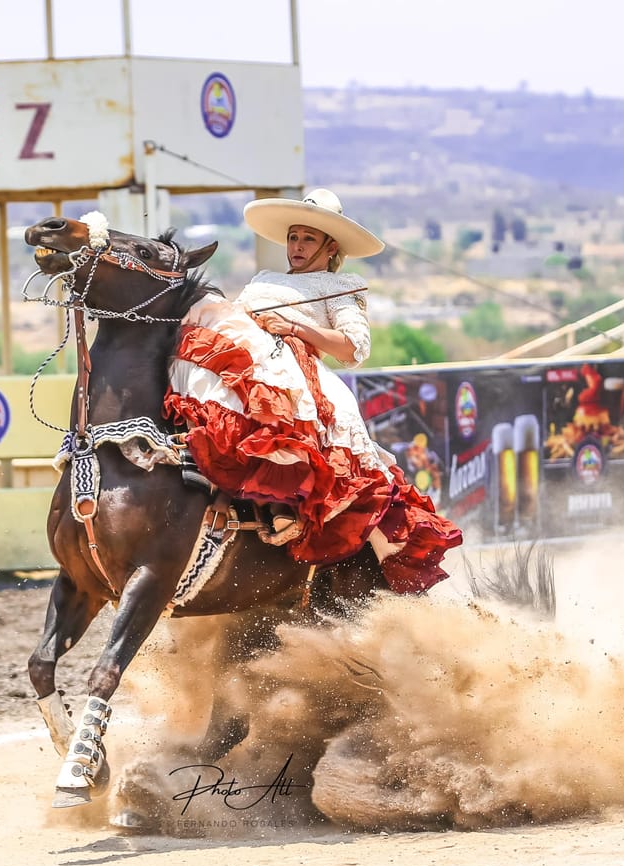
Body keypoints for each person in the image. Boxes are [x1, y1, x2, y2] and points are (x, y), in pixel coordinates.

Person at [164, 189, 462, 593]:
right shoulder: (262, 280)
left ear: (330, 246)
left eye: (307, 238)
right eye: (293, 237)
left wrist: (296, 329)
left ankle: (283, 502)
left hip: (295, 368)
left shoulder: (341, 286)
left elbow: (354, 349)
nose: (296, 246)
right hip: (248, 358)